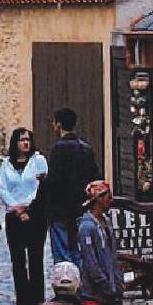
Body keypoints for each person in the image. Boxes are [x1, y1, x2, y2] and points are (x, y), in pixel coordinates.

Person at [0, 126, 48, 305]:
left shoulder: (39, 161)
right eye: (21, 140)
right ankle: (23, 299)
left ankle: (36, 300)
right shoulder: (6, 164)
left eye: (28, 139)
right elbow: (3, 188)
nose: (25, 143)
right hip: (13, 215)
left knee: (35, 257)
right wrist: (15, 208)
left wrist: (26, 206)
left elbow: (40, 187)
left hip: (35, 215)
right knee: (17, 259)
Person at [43, 108, 101, 267]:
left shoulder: (58, 149)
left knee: (63, 253)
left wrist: (43, 183)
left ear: (59, 124)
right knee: (79, 250)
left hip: (60, 209)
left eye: (54, 123)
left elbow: (55, 180)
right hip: (81, 207)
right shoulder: (85, 148)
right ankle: (81, 284)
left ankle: (67, 286)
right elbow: (95, 176)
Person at [76, 179, 128, 305]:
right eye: (107, 196)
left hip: (113, 288)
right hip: (97, 292)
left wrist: (118, 280)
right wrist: (104, 284)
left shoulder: (105, 221)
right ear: (97, 199)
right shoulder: (87, 227)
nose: (110, 200)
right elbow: (91, 262)